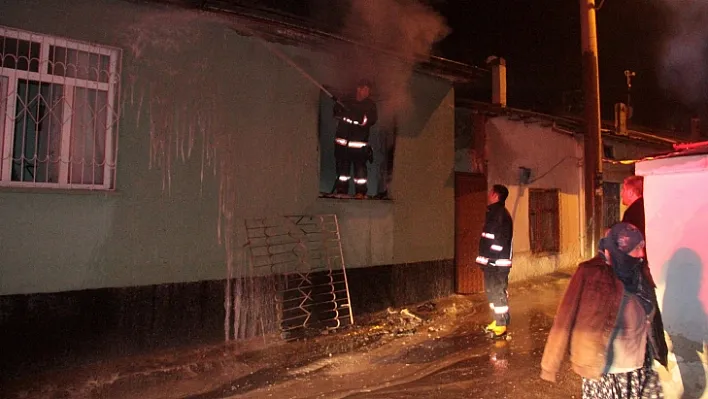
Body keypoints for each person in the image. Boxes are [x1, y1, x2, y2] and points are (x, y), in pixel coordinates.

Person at [541, 222, 666, 399]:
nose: (641, 254)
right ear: (620, 248)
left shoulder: (639, 271)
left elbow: (653, 316)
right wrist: (550, 363)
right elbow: (564, 317)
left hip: (638, 364)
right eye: (636, 248)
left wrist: (660, 351)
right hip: (606, 367)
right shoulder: (590, 272)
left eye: (642, 247)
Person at [621, 175, 668, 366]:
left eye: (624, 190)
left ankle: (652, 356)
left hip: (638, 269)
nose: (622, 194)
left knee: (642, 312)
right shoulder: (648, 207)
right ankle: (658, 354)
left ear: (632, 191)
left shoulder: (632, 213)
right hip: (647, 267)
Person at [476, 184, 514, 338]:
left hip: (497, 263)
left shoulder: (499, 214)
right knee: (491, 292)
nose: (488, 195)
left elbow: (499, 241)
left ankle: (501, 324)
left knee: (498, 292)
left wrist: (491, 259)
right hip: (492, 262)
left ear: (495, 195)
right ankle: (497, 320)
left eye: (491, 193)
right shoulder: (493, 213)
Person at [332, 79, 378, 199]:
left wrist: (359, 117)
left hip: (359, 148)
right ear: (359, 88)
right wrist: (346, 114)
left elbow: (371, 120)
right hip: (343, 147)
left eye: (369, 90)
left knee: (360, 174)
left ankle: (360, 193)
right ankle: (341, 191)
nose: (367, 92)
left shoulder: (370, 105)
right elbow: (336, 113)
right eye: (366, 89)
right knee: (343, 173)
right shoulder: (345, 101)